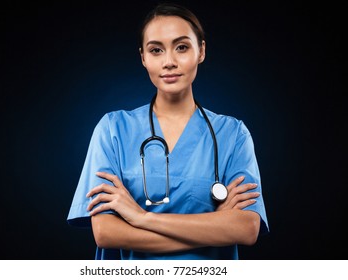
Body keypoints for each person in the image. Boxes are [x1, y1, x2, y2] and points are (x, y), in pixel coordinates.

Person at [67, 2, 269, 260]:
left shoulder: (233, 134)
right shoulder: (113, 130)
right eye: (156, 50)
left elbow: (246, 228)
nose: (169, 62)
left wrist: (141, 217)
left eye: (182, 47)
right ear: (143, 57)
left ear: (201, 51)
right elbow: (107, 233)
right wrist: (216, 225)